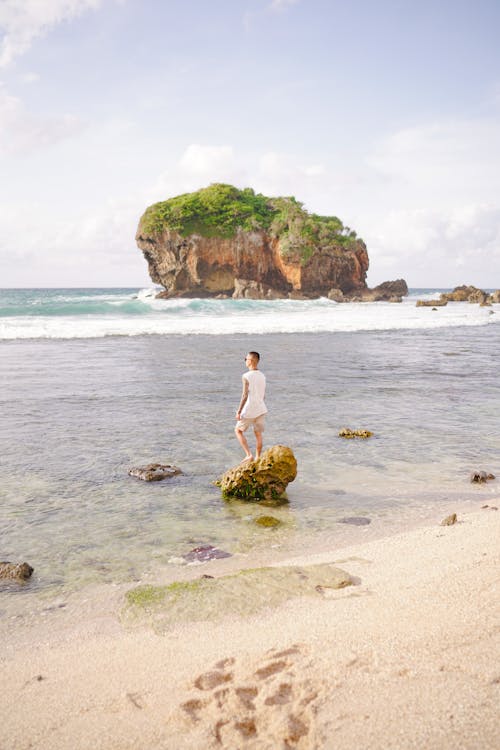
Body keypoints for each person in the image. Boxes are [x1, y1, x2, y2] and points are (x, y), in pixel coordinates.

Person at [235, 351, 267, 462]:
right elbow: (263, 395)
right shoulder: (262, 376)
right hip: (261, 409)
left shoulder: (246, 376)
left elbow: (244, 395)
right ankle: (258, 457)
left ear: (251, 361)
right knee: (258, 434)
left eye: (246, 359)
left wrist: (239, 411)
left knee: (238, 430)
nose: (245, 361)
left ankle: (248, 454)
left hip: (250, 409)